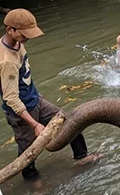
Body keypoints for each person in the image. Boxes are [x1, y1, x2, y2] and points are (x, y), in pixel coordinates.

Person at [0, 9, 99, 183]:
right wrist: (35, 124)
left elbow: (24, 76)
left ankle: (81, 157)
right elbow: (11, 98)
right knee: (28, 150)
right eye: (24, 34)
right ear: (10, 30)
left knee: (69, 121)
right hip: (21, 110)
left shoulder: (17, 43)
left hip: (35, 99)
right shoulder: (6, 60)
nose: (27, 38)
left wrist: (36, 96)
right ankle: (33, 183)